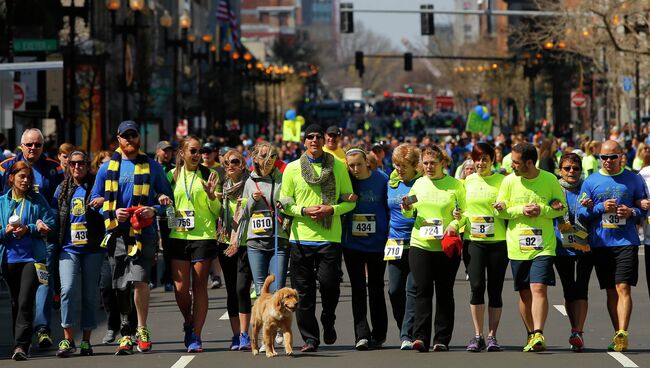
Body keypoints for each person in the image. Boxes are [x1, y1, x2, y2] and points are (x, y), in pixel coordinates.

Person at [90, 120, 173, 355]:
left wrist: (154, 210)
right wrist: (111, 210)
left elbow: (167, 200)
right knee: (120, 285)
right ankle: (126, 331)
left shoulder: (152, 167)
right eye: (125, 136)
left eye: (133, 135)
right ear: (118, 139)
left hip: (143, 233)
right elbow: (94, 200)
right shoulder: (107, 168)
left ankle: (142, 328)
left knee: (140, 280)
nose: (129, 140)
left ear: (138, 138)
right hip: (117, 233)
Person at [279, 124, 355, 352]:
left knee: (330, 286)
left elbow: (350, 201)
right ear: (304, 142)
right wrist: (303, 211)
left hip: (330, 238)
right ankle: (310, 339)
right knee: (302, 293)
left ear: (323, 141)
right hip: (300, 239)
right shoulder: (292, 169)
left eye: (318, 137)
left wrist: (331, 210)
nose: (314, 140)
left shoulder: (339, 168)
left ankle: (328, 319)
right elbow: (285, 203)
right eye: (309, 137)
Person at [496, 142, 566, 352]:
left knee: (538, 287)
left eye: (515, 163)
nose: (512, 166)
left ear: (529, 162)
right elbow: (500, 211)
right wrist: (520, 210)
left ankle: (538, 332)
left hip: (543, 245)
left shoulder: (550, 179)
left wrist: (543, 209)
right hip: (517, 245)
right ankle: (530, 333)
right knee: (525, 293)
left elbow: (559, 209)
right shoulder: (508, 182)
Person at [577, 140, 645, 352]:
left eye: (612, 157)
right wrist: (599, 207)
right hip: (601, 243)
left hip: (626, 241)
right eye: (603, 158)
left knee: (623, 287)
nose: (607, 161)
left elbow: (643, 208)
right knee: (610, 291)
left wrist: (632, 212)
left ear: (621, 157)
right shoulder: (591, 181)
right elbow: (581, 214)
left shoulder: (633, 179)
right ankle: (618, 334)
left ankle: (623, 331)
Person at [0, 128, 64, 348]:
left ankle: (42, 328)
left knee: (42, 284)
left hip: (41, 239)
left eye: (37, 145)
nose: (33, 148)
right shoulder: (6, 166)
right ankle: (22, 335)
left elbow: (58, 205)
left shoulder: (54, 169)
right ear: (21, 145)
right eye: (29, 144)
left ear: (43, 147)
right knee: (18, 298)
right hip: (11, 246)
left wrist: (44, 226)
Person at [401, 145, 465, 352]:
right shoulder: (419, 185)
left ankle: (442, 338)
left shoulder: (455, 185)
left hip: (445, 247)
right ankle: (420, 337)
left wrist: (454, 225)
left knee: (445, 292)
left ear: (443, 163)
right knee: (422, 290)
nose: (428, 167)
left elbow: (464, 213)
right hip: (421, 244)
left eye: (432, 163)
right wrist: (407, 207)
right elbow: (408, 213)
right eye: (425, 163)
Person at [166, 136, 220, 353]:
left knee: (199, 288)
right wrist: (163, 202)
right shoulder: (171, 176)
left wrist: (212, 196)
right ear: (182, 153)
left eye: (200, 151)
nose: (198, 155)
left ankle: (196, 335)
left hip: (203, 235)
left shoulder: (209, 175)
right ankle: (188, 320)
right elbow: (163, 204)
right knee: (180, 289)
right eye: (193, 151)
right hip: (178, 236)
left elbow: (217, 211)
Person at [52, 151, 105, 357]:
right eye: (73, 163)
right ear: (68, 165)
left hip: (92, 248)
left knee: (89, 294)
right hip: (68, 248)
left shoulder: (96, 187)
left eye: (81, 163)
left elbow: (107, 209)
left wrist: (101, 204)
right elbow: (54, 214)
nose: (77, 167)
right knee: (67, 290)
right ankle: (67, 339)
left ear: (87, 165)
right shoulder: (62, 188)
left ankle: (85, 341)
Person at [456, 143, 508, 352]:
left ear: (492, 160)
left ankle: (492, 335)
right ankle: (477, 335)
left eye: (485, 159)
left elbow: (508, 207)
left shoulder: (502, 181)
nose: (480, 163)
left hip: (497, 242)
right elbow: (461, 209)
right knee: (476, 286)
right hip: (473, 241)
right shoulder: (467, 182)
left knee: (495, 290)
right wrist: (458, 217)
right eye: (477, 159)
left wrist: (503, 207)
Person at [343, 147, 389, 350]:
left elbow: (390, 208)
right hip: (352, 244)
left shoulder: (381, 179)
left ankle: (379, 334)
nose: (355, 169)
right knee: (358, 289)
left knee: (376, 287)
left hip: (377, 243)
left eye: (359, 164)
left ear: (367, 163)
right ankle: (361, 334)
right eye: (351, 165)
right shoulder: (345, 181)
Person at [553, 153, 593, 352]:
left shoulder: (587, 187)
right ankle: (574, 327)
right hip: (562, 246)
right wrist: (552, 207)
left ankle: (579, 331)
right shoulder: (554, 188)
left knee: (582, 288)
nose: (571, 172)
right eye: (567, 168)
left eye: (575, 168)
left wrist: (592, 206)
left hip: (585, 244)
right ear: (560, 170)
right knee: (569, 290)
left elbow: (596, 210)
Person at [238, 142, 289, 294]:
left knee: (277, 288)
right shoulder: (249, 182)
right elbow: (244, 214)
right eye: (264, 155)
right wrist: (253, 199)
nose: (268, 159)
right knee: (261, 289)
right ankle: (264, 318)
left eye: (272, 156)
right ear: (255, 158)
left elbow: (292, 200)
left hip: (278, 240)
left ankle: (275, 318)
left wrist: (284, 202)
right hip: (256, 242)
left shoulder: (283, 178)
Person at [217, 149, 253, 351]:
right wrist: (211, 197)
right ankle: (235, 335)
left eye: (235, 162)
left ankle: (244, 333)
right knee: (231, 289)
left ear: (242, 164)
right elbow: (216, 212)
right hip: (224, 243)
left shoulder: (250, 184)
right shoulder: (223, 187)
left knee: (241, 288)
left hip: (246, 243)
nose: (230, 165)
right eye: (226, 163)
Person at [386, 144, 420, 350]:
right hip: (394, 242)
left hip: (416, 242)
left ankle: (407, 333)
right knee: (394, 290)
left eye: (404, 166)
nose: (399, 169)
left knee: (412, 289)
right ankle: (403, 327)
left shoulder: (422, 183)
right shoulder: (390, 183)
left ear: (415, 166)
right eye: (397, 165)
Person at [155, 140, 176, 292]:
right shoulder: (151, 168)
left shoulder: (174, 170)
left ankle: (169, 279)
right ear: (158, 152)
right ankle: (152, 279)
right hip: (153, 210)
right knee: (153, 246)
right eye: (164, 150)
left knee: (170, 246)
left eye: (169, 151)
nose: (167, 154)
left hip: (170, 212)